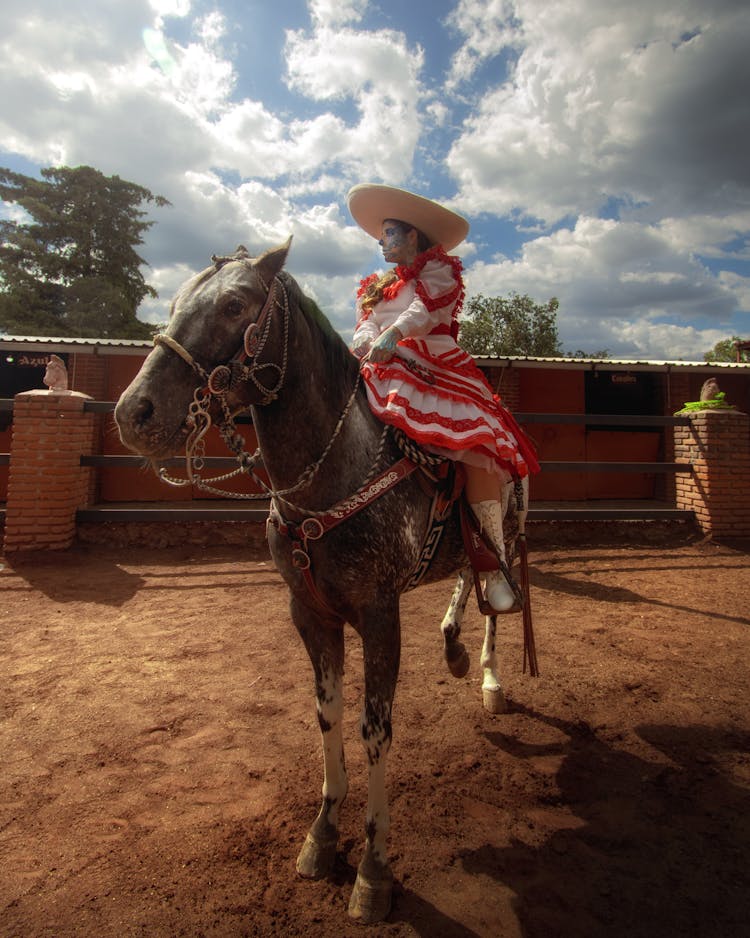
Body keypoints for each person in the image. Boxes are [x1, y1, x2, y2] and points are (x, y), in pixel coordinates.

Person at [347, 183, 539, 612]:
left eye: (390, 232)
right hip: (381, 364)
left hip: (435, 366)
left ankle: (492, 567)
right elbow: (363, 324)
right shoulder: (376, 286)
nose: (382, 242)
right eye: (381, 235)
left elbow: (424, 314)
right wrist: (365, 341)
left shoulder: (441, 272)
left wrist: (395, 333)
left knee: (475, 444)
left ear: (413, 235)